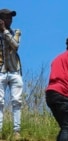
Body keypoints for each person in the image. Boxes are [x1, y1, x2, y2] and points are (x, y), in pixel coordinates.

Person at [0, 8, 23, 138]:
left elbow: (15, 46)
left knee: (17, 101)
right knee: (0, 102)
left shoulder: (16, 32)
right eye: (6, 17)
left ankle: (16, 131)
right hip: (1, 71)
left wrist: (4, 31)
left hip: (14, 71)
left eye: (10, 17)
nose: (9, 20)